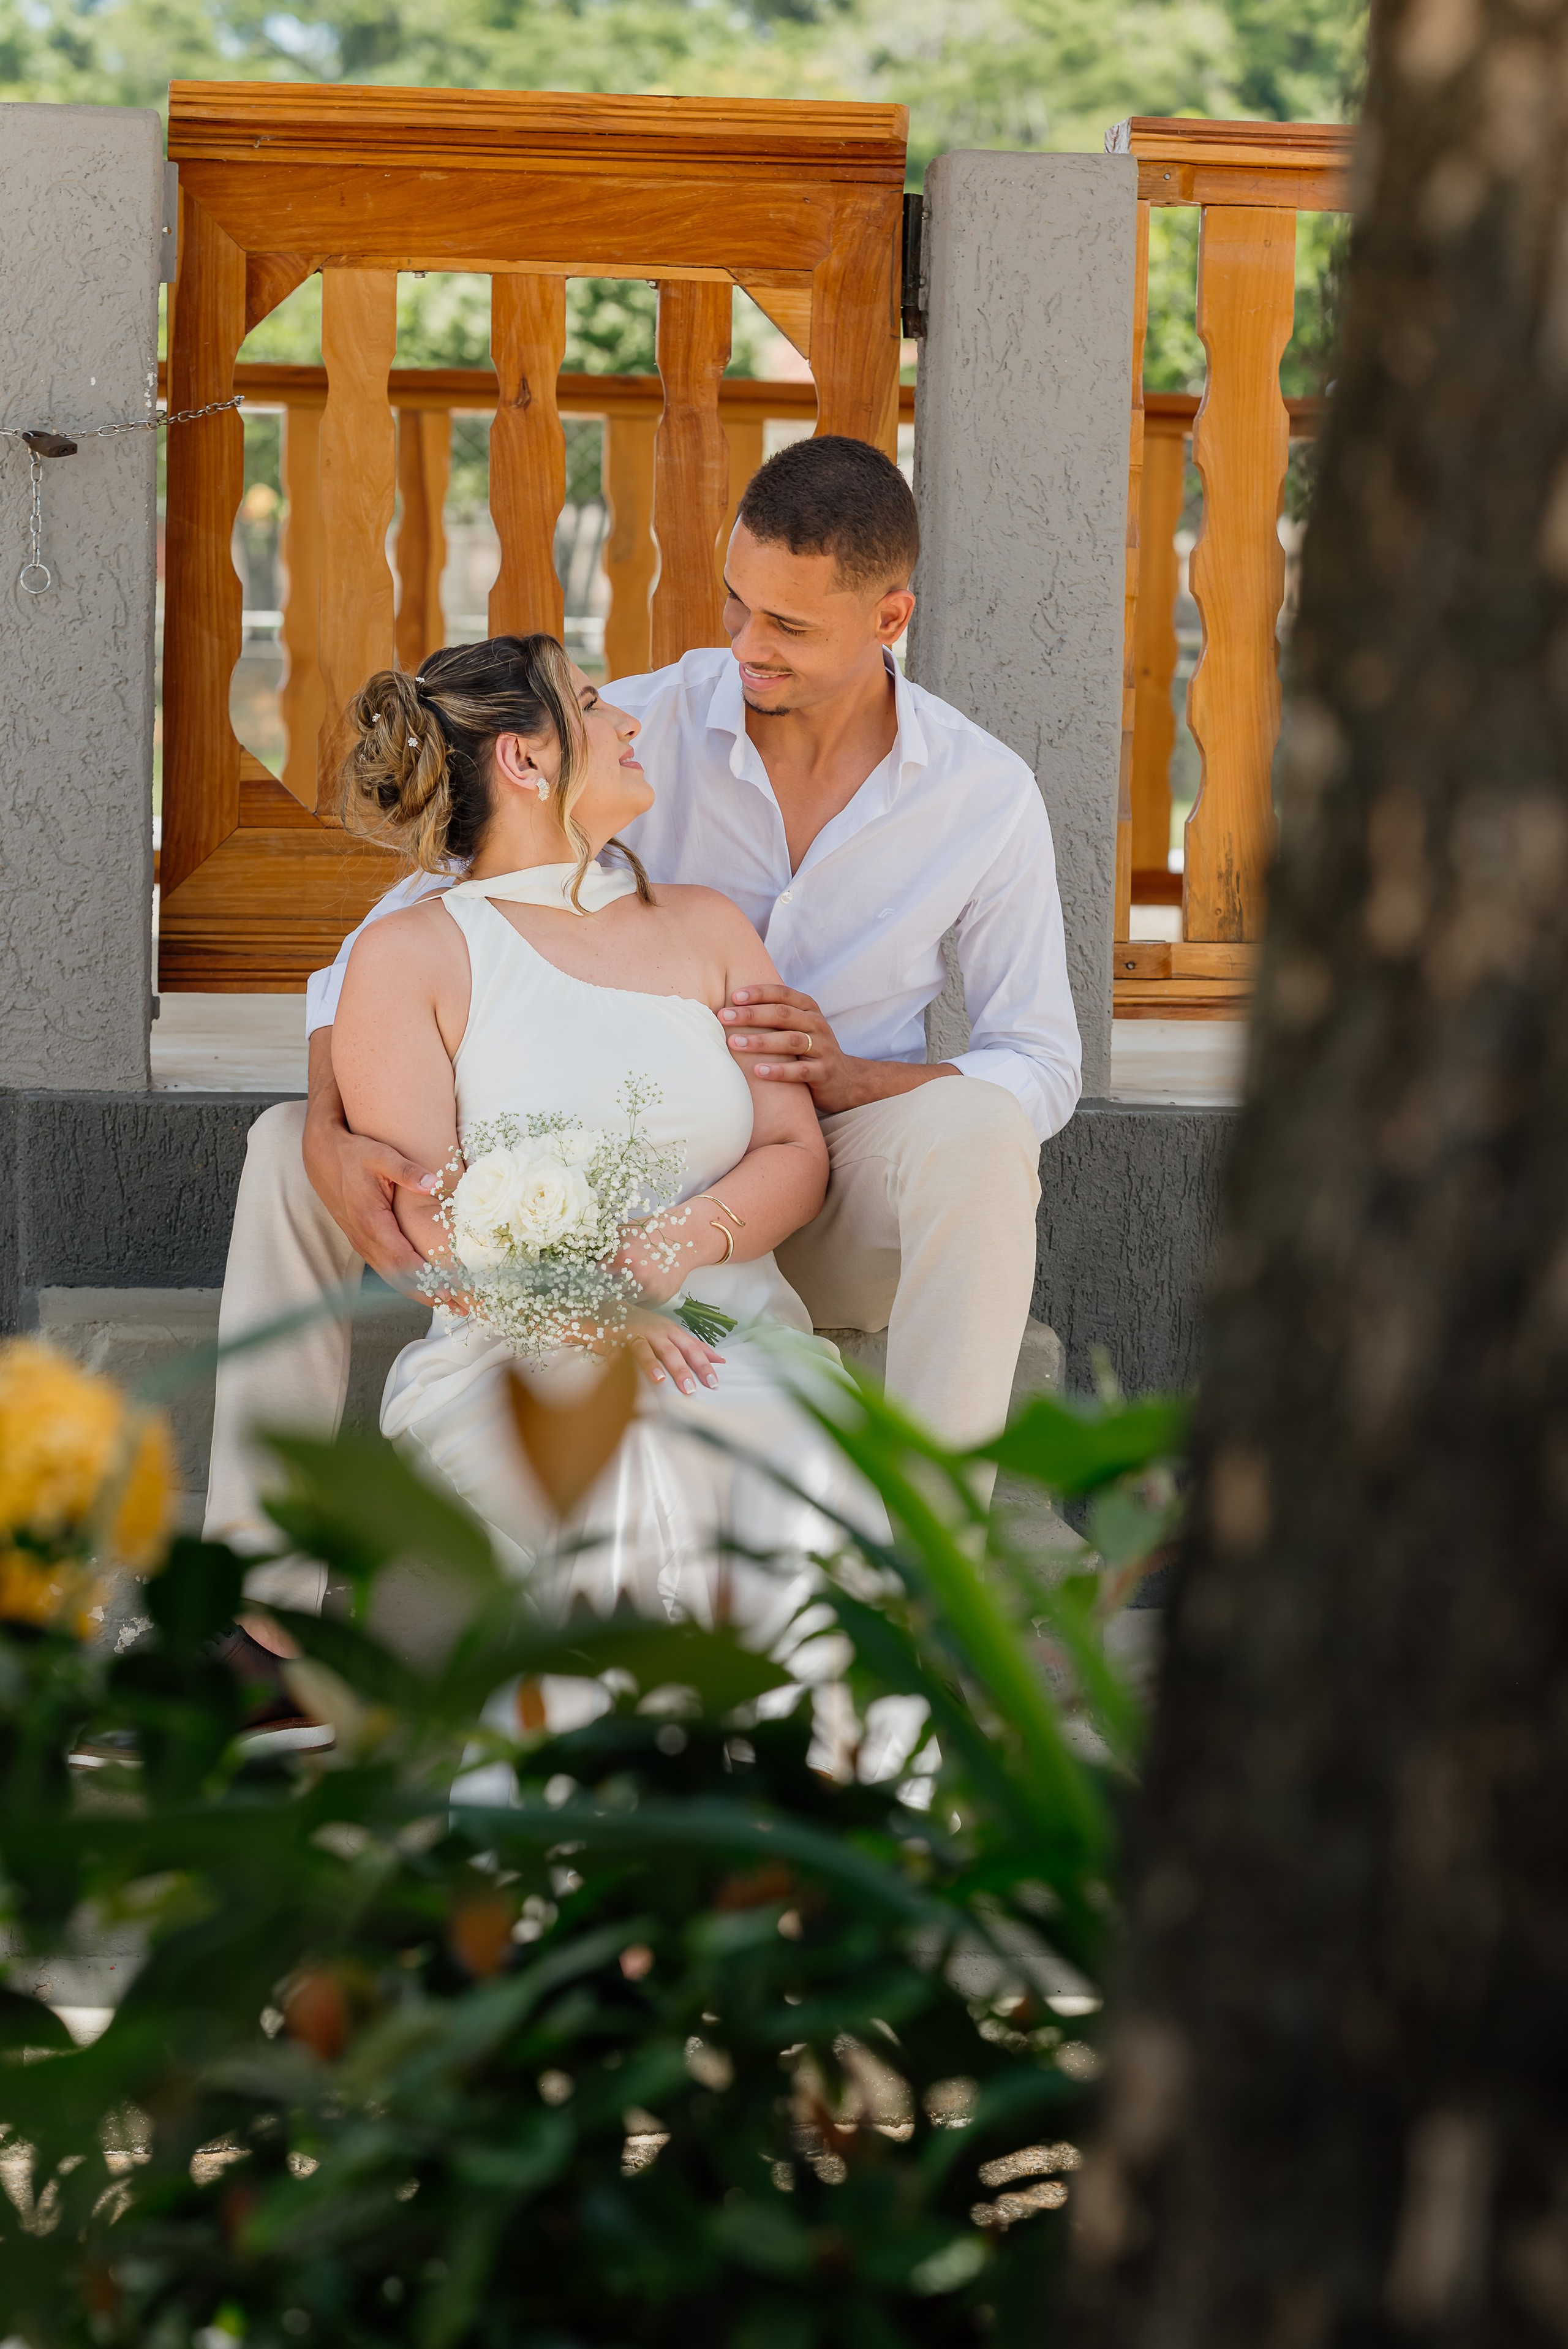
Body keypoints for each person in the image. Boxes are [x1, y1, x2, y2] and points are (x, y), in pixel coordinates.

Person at [205, 434, 1080, 1564]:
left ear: (890, 620)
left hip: (837, 1174)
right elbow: (405, 925)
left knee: (983, 1124)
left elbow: (1041, 1059)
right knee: (285, 1146)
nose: (745, 647)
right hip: (609, 1191)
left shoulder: (985, 796)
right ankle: (252, 1596)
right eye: (735, 604)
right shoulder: (638, 730)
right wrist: (332, 1123)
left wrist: (859, 1081)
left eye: (789, 629)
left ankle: (929, 1576)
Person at [328, 632, 864, 1618]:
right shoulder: (412, 957)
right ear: (523, 758)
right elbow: (429, 1220)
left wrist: (670, 1247)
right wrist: (592, 1312)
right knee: (636, 1490)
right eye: (589, 702)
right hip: (521, 1355)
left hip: (730, 1337)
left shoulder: (710, 928)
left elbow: (795, 1152)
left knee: (794, 1481)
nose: (628, 721)